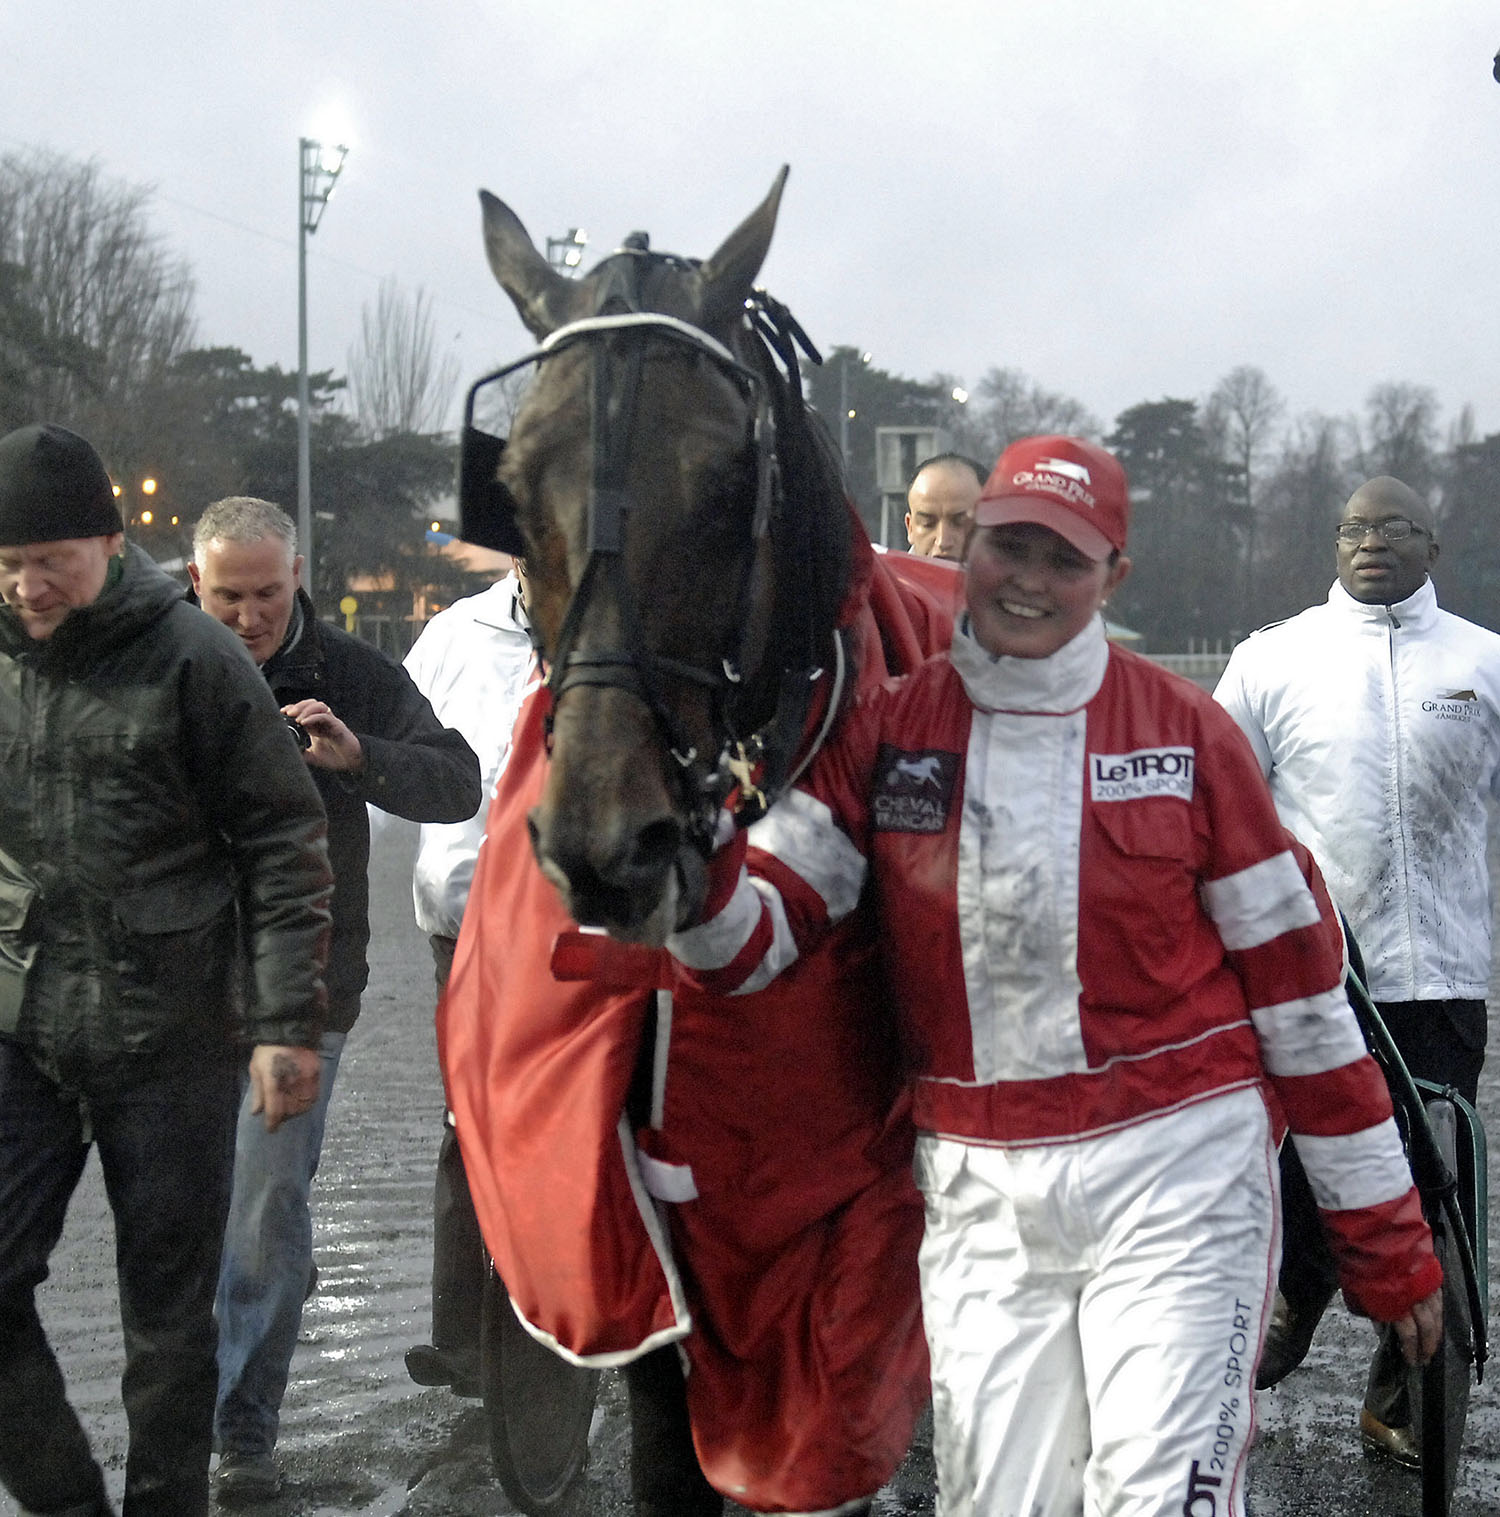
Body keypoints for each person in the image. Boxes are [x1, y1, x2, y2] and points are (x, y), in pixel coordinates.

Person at [665, 435, 1443, 1517]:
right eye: (1008, 546)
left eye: (1063, 559)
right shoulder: (888, 733)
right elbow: (748, 944)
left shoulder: (1191, 736)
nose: (1028, 579)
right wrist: (686, 850)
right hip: (982, 1193)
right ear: (966, 546)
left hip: (1183, 1178)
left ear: (1112, 578)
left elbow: (1307, 1013)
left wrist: (1385, 1240)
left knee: (1159, 1497)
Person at [0, 425, 332, 1517]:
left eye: (50, 557)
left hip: (174, 1034)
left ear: (110, 539)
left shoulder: (195, 657)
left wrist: (284, 1022)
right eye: (5, 560)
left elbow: (283, 841)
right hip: (23, 1020)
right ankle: (64, 1503)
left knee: (167, 1324)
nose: (27, 582)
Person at [187, 497, 481, 1501]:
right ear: (196, 585)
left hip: (311, 988)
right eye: (228, 595)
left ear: (299, 575)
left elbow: (458, 782)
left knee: (265, 1206)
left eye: (269, 593)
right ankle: (231, 1342)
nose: (250, 615)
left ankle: (244, 1436)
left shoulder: (352, 672)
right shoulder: (167, 665)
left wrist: (361, 758)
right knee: (197, 1216)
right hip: (176, 987)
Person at [1215, 474, 1500, 1466]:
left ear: (1432, 542)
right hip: (1315, 981)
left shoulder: (1483, 662)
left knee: (1433, 1179)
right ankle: (1287, 1298)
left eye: (1393, 526)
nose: (1370, 540)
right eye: (1353, 527)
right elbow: (1213, 810)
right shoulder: (1271, 660)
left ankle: (1403, 1394)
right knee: (1308, 1165)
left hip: (1447, 979)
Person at [395, 564, 535, 1398]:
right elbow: (387, 759)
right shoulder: (454, 636)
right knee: (469, 1118)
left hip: (578, 930)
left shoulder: (622, 623)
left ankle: (567, 1322)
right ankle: (460, 1337)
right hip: (463, 926)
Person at [904, 452, 984, 561]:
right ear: (910, 528)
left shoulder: (1012, 576)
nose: (943, 542)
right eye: (927, 524)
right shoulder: (882, 577)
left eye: (960, 522)